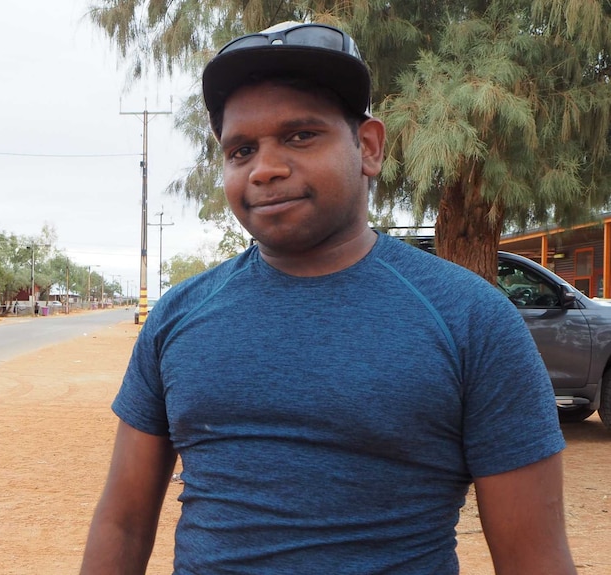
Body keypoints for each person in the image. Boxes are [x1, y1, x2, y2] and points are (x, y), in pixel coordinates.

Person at [80, 21, 575, 574]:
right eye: (241, 150)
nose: (265, 168)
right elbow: (121, 521)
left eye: (300, 136)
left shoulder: (470, 320)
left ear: (367, 147)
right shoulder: (179, 316)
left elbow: (536, 559)